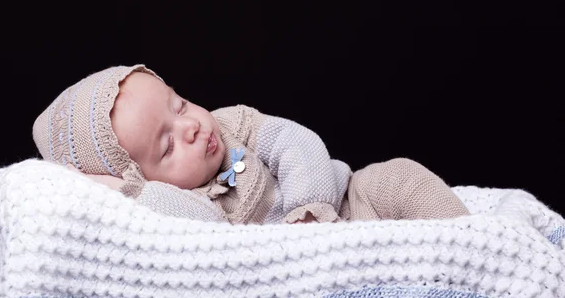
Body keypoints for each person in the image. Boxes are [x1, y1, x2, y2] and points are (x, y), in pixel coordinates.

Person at [32, 64, 470, 224]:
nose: (189, 127)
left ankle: (470, 240)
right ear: (143, 181)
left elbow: (297, 143)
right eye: (166, 148)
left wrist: (309, 209)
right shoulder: (186, 205)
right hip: (302, 262)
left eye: (180, 105)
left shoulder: (229, 125)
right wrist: (123, 193)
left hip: (347, 203)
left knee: (398, 177)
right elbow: (188, 222)